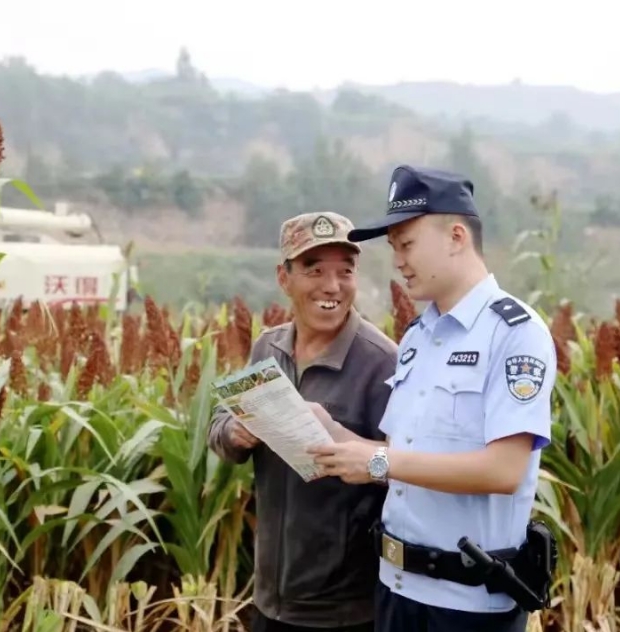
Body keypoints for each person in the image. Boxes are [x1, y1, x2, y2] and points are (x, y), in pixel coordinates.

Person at [308, 165, 557, 632]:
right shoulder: (419, 337)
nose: (398, 261)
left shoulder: (515, 334)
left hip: (464, 603)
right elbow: (401, 458)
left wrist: (378, 461)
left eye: (406, 244)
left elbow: (502, 471)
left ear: (456, 236)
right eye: (393, 248)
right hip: (395, 589)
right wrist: (332, 432)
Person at [208, 211, 398, 632]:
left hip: (344, 611)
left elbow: (408, 470)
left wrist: (353, 452)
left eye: (344, 271)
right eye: (314, 270)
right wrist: (236, 433)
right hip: (270, 598)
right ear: (284, 277)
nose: (331, 286)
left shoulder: (382, 361)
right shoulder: (267, 347)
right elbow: (219, 428)